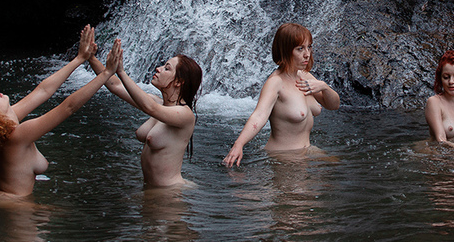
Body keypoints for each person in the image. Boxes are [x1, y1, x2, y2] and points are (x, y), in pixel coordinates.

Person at [0, 25, 117, 196]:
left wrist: (80, 58)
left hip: (3, 199)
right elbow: (68, 107)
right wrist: (106, 74)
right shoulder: (18, 136)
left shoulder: (8, 122)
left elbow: (43, 91)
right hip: (15, 207)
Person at [89, 37, 202, 187]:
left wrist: (121, 71)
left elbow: (150, 108)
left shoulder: (184, 115)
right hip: (152, 189)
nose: (158, 68)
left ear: (178, 82)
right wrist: (89, 57)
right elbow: (114, 85)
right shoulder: (158, 103)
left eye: (167, 68)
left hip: (169, 194)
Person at [223, 22, 340, 166]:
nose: (307, 54)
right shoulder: (276, 82)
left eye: (309, 47)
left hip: (306, 151)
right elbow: (259, 116)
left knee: (337, 167)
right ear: (285, 50)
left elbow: (333, 105)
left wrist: (324, 87)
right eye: (300, 49)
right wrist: (239, 144)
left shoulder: (305, 76)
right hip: (283, 157)